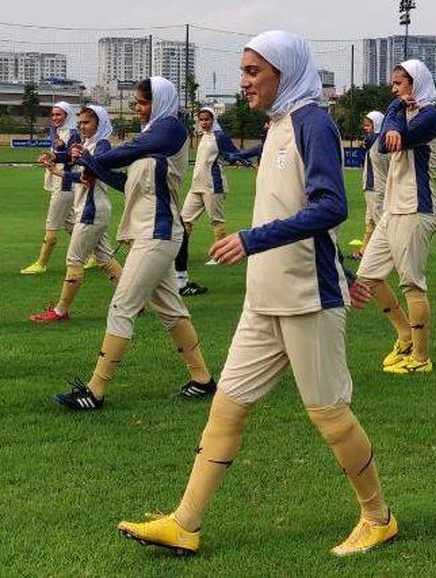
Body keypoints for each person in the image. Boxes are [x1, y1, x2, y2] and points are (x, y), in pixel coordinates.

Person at [116, 30, 397, 557]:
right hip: (263, 296)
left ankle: (378, 517)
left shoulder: (313, 121)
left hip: (307, 297)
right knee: (226, 407)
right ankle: (185, 523)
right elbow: (308, 214)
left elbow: (331, 207)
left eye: (253, 71)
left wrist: (252, 240)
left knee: (329, 413)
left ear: (283, 72)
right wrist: (342, 267)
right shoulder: (281, 124)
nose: (244, 81)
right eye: (244, 71)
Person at [54, 77, 214, 410]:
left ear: (160, 101)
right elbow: (128, 183)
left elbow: (129, 151)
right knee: (171, 310)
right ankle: (202, 380)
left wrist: (89, 159)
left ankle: (95, 391)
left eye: (143, 102)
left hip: (157, 234)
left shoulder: (170, 128)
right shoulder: (155, 135)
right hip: (151, 233)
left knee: (121, 308)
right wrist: (91, 165)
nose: (137, 108)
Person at [350, 60, 436, 375]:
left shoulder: (430, 116)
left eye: (400, 84)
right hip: (394, 209)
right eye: (393, 84)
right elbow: (387, 132)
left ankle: (420, 357)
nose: (394, 89)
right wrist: (395, 108)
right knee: (368, 276)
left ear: (415, 84)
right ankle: (404, 333)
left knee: (412, 284)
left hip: (417, 208)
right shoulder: (403, 111)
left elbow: (395, 139)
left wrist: (393, 117)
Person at [30, 105, 124, 322]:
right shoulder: (89, 143)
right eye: (80, 122)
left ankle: (60, 311)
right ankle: (135, 302)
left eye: (87, 123)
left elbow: (92, 173)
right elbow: (82, 178)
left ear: (99, 124)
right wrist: (56, 170)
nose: (82, 126)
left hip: (91, 210)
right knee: (105, 259)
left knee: (74, 260)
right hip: (91, 207)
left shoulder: (102, 144)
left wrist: (80, 157)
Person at [175, 107, 241, 297]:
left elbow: (233, 154)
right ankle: (178, 255)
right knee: (183, 221)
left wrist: (245, 160)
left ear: (214, 120)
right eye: (201, 119)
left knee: (216, 220)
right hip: (196, 186)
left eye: (207, 119)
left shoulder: (219, 137)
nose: (204, 122)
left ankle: (221, 255)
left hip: (214, 186)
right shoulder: (202, 136)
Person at [23, 101, 80, 274]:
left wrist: (54, 157)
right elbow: (54, 154)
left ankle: (41, 263)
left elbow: (72, 157)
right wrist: (47, 157)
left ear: (67, 115)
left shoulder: (73, 134)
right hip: (58, 181)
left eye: (59, 114)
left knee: (52, 225)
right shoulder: (55, 131)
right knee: (71, 225)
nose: (55, 117)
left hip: (65, 183)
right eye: (53, 114)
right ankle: (94, 253)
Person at [349, 111, 388, 259]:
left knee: (381, 225)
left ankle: (390, 254)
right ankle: (363, 253)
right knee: (370, 223)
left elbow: (365, 143)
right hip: (375, 187)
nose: (365, 128)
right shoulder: (383, 140)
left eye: (368, 125)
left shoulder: (375, 139)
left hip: (376, 188)